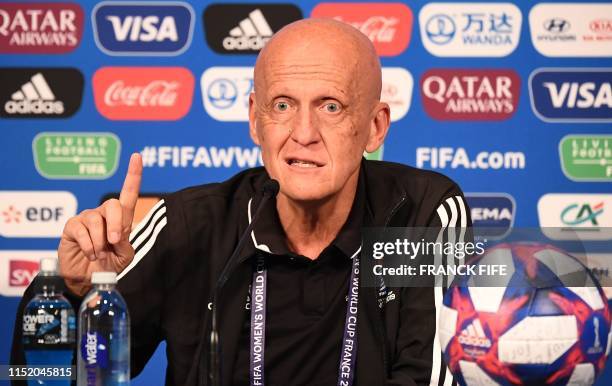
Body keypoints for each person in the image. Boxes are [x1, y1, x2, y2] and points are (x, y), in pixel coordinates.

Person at [11, 18, 470, 386]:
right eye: (283, 105)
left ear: (374, 127)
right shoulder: (189, 225)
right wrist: (71, 295)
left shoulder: (423, 215)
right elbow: (49, 376)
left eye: (331, 106)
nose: (304, 134)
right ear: (255, 120)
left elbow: (432, 378)